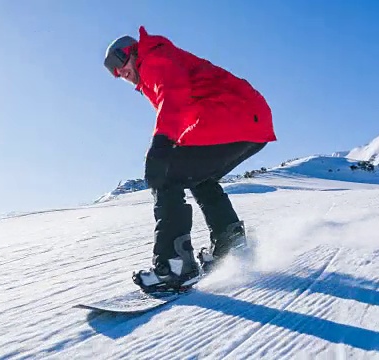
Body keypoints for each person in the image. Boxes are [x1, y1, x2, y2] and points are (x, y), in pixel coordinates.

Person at [103, 26, 277, 293]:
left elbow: (175, 98)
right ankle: (232, 247)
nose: (120, 72)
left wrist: (161, 146)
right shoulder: (156, 66)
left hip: (236, 117)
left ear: (133, 51)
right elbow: (185, 112)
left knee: (168, 175)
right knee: (197, 175)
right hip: (248, 121)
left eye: (120, 62)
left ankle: (174, 267)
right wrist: (173, 145)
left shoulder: (154, 59)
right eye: (114, 72)